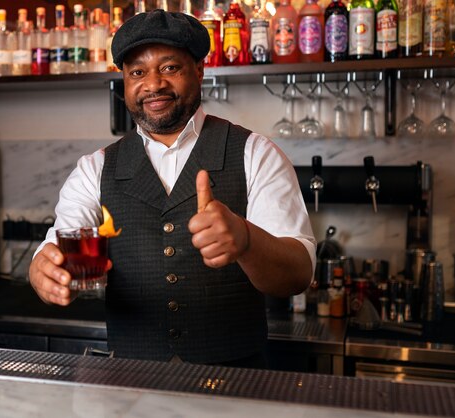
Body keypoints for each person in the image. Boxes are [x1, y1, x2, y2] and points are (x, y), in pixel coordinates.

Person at [29, 10, 316, 368]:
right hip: (129, 385)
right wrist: (43, 270)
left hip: (237, 385)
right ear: (124, 81)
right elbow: (57, 244)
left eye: (169, 68)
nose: (153, 85)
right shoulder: (95, 168)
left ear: (199, 70)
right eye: (137, 72)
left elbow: (298, 273)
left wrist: (246, 239)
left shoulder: (256, 154)